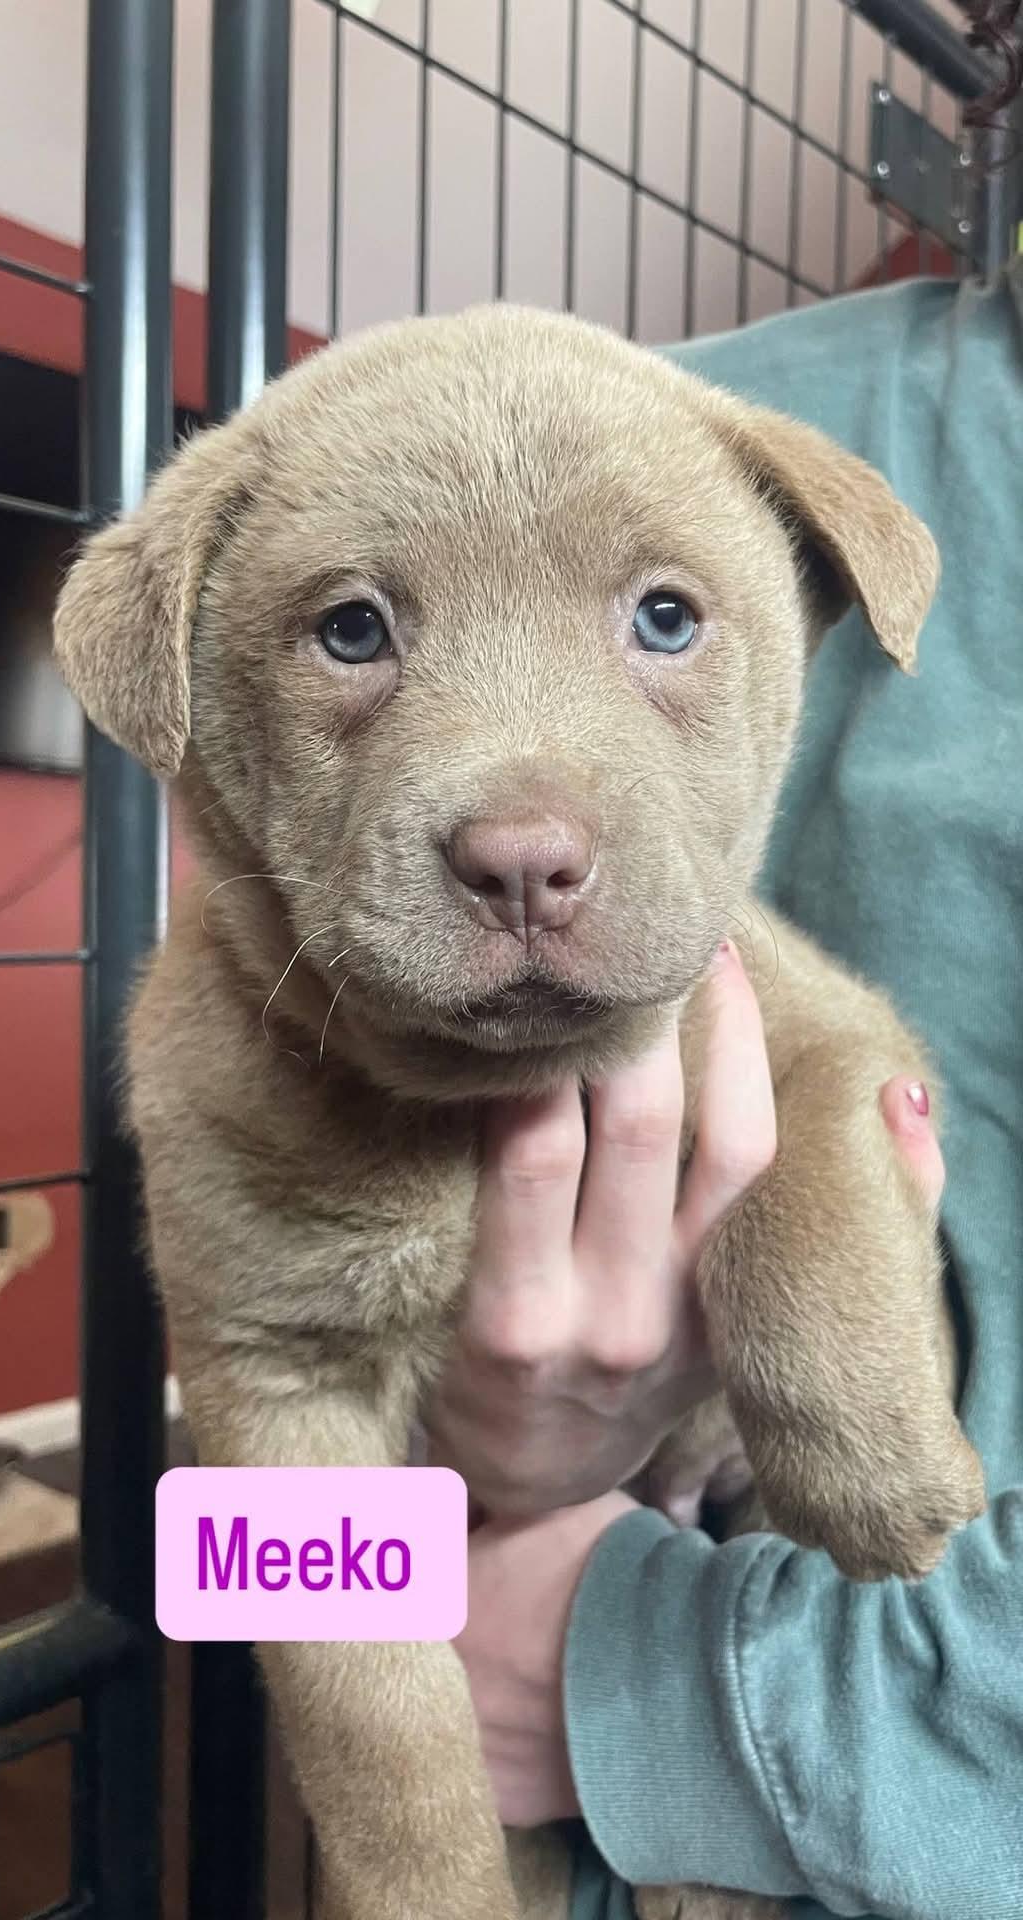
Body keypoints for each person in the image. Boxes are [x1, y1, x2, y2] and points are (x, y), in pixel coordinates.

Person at [434, 251, 1023, 1915]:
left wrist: (666, 1684)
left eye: (665, 624)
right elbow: (207, 1558)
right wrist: (450, 1500)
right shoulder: (630, 434)